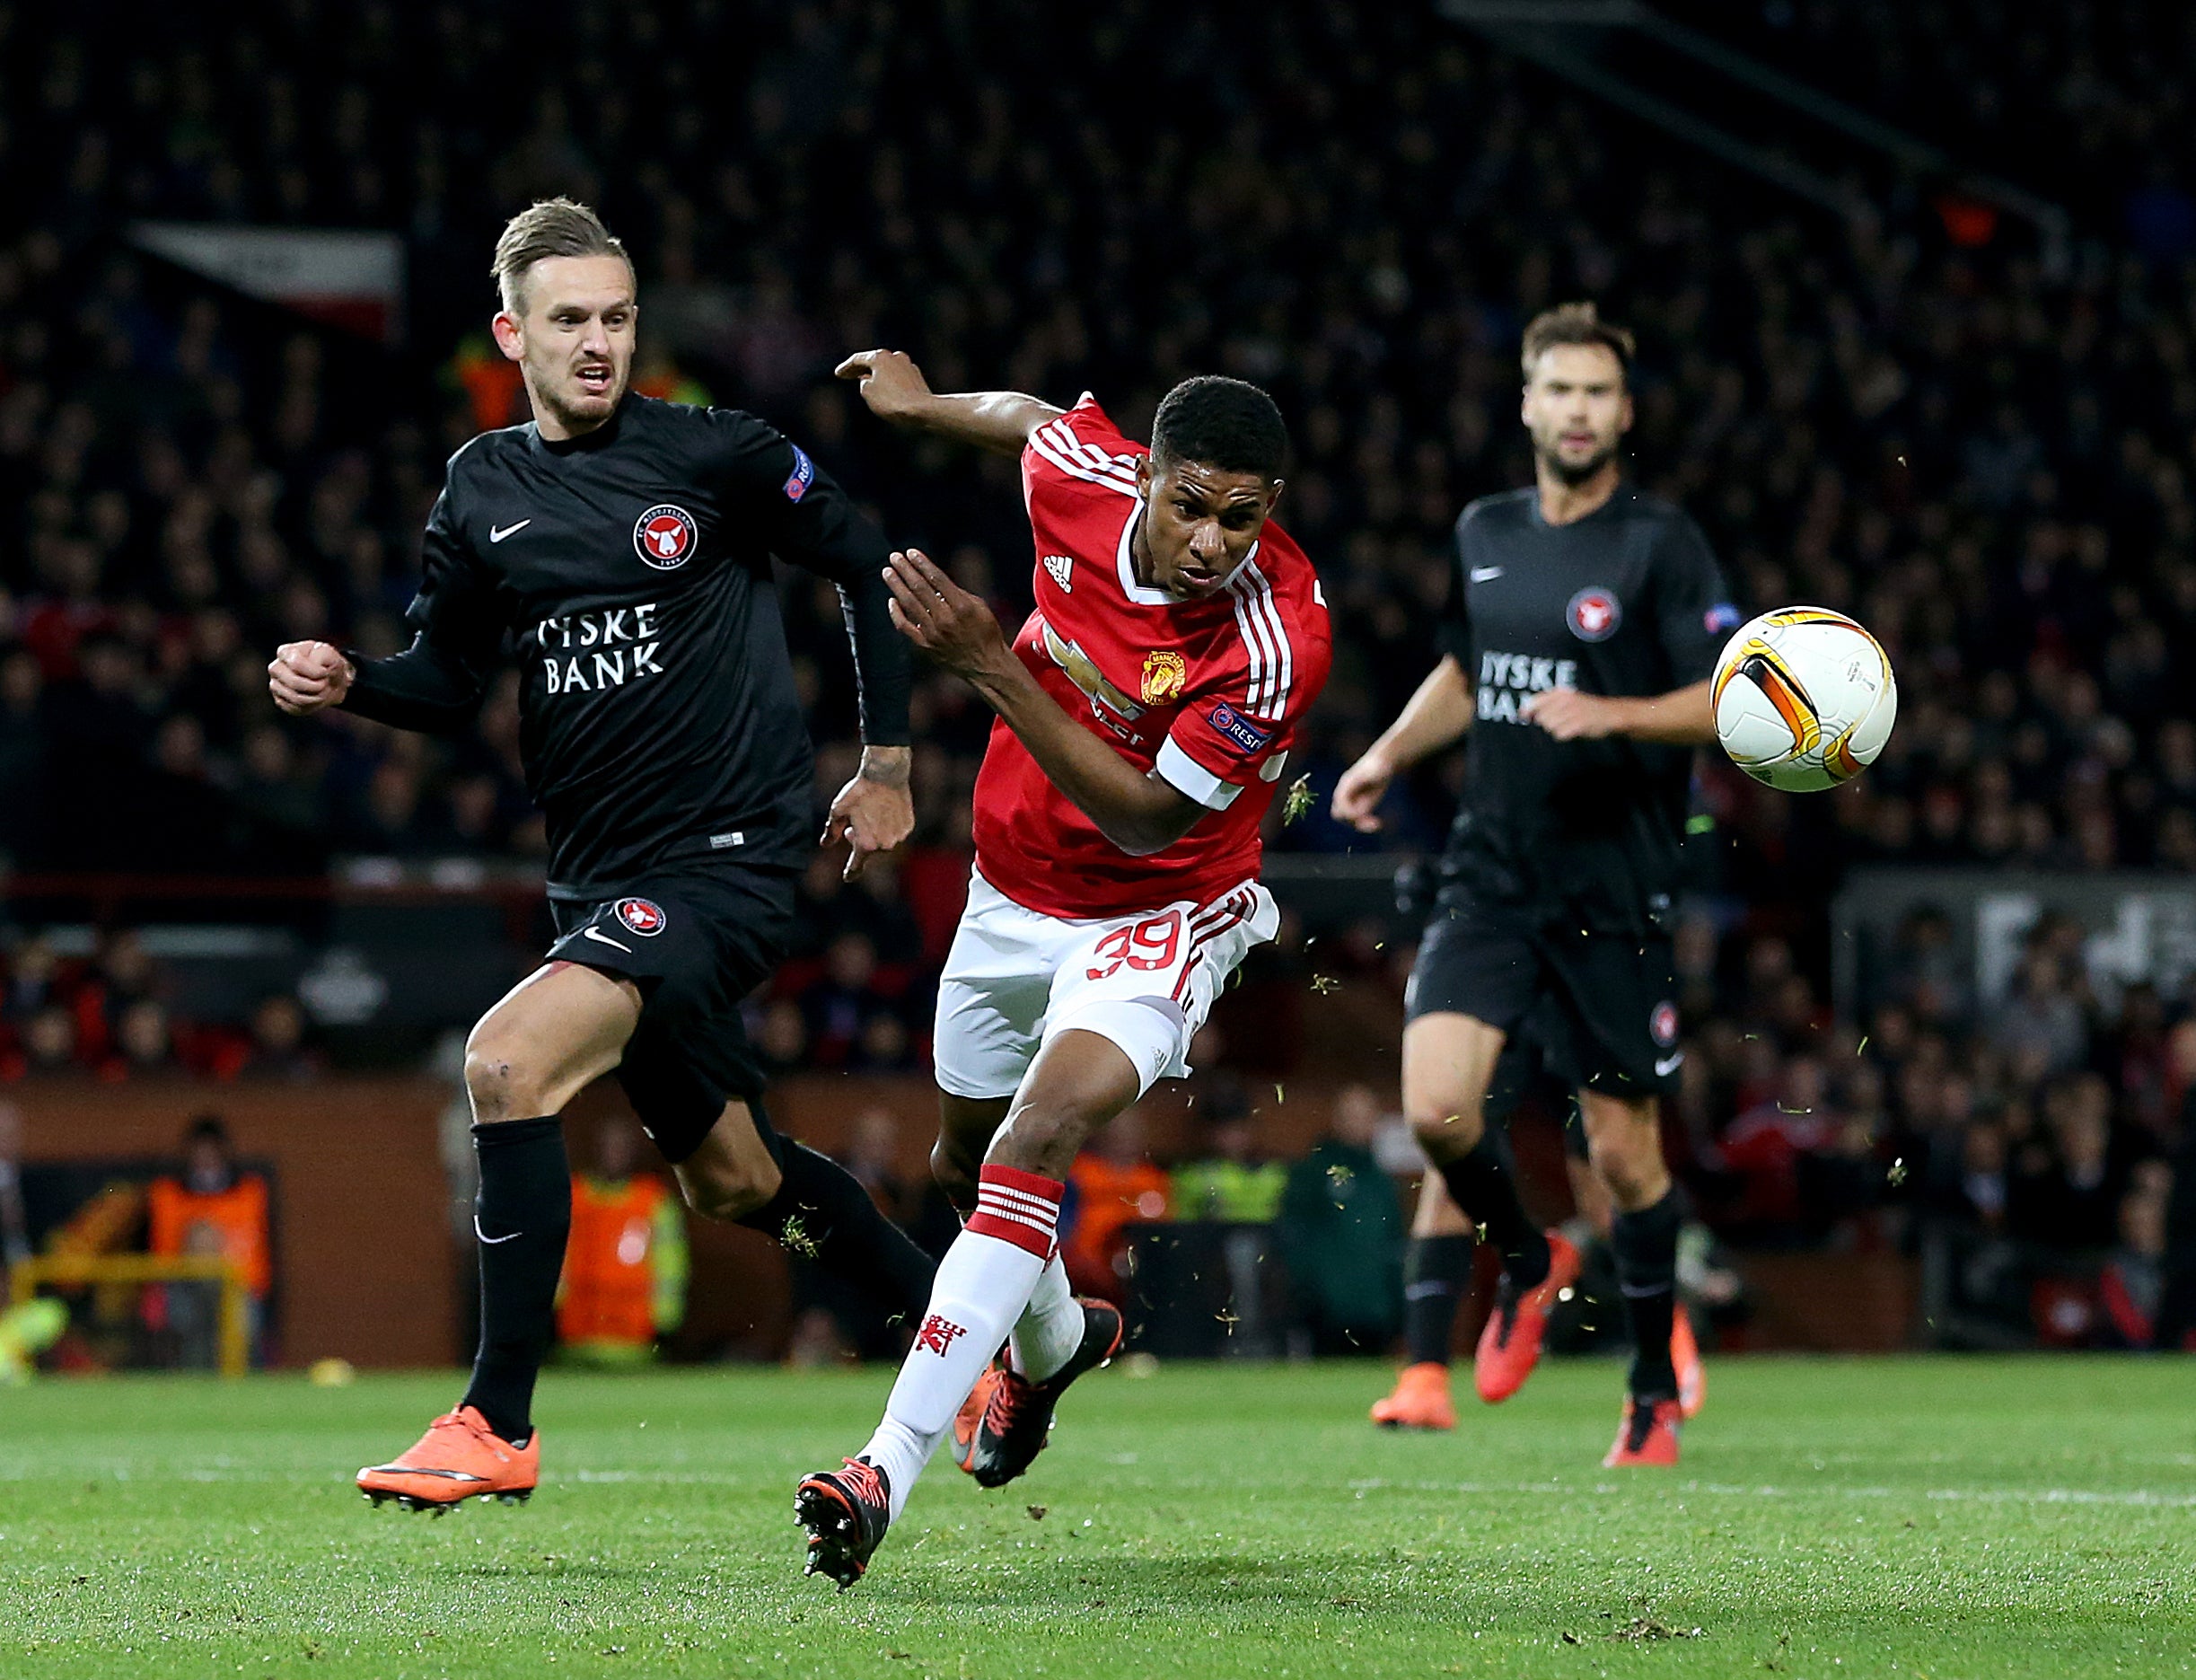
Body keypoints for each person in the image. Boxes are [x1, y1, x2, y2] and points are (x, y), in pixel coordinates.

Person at [267, 198, 937, 1511]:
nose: (596, 342)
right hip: (605, 883)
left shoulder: (718, 453)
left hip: (727, 863)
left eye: (617, 317)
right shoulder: (482, 486)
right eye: (568, 318)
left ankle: (494, 1418)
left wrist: (890, 760)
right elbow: (448, 677)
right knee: (738, 1177)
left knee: (506, 1059)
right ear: (511, 331)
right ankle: (962, 1332)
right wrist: (354, 680)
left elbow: (864, 561)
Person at [793, 352, 1331, 1585]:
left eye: (1240, 517)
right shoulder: (1080, 478)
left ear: (1271, 506)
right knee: (961, 1163)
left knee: (1032, 1141)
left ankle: (879, 1464)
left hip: (1161, 908)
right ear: (1146, 474)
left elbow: (1146, 817)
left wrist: (989, 663)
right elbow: (1032, 420)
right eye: (1189, 503)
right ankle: (1052, 1346)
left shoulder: (1276, 638)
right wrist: (925, 406)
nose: (1210, 541)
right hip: (1007, 892)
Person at [1331, 302, 1735, 1468]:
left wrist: (1612, 708)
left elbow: (1727, 693)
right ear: (1525, 403)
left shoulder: (1660, 544)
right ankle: (1525, 1254)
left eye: (1597, 393)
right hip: (1490, 873)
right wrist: (1384, 754)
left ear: (1623, 410)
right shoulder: (1482, 526)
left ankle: (1651, 1391)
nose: (1576, 411)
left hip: (1612, 886)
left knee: (1623, 1154)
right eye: (1557, 390)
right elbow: (1470, 668)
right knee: (1438, 1110)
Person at [1277, 1085, 1403, 1356]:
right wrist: (1308, 1293)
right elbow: (1295, 1235)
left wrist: (1398, 1304)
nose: (1359, 1124)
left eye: (1366, 1116)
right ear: (1337, 1120)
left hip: (1376, 1310)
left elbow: (1393, 1241)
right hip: (1327, 1311)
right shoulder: (1313, 1174)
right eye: (1351, 1116)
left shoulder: (1381, 1181)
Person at [146, 1115, 272, 1368]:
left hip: (235, 1286)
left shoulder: (248, 1191)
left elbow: (257, 1256)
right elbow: (161, 1253)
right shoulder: (168, 1193)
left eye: (211, 1149)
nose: (205, 1156)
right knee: (186, 1329)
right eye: (199, 1149)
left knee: (242, 1324)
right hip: (184, 1285)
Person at [557, 1119, 686, 1364]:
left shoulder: (653, 1200)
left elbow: (671, 1262)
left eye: (622, 1148)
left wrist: (665, 1317)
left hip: (635, 1336)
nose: (614, 1155)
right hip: (577, 1332)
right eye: (609, 1147)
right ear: (595, 1150)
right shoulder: (574, 1197)